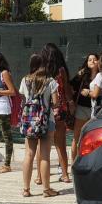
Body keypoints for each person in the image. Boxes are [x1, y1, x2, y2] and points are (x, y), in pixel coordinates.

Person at [18, 53, 59, 198]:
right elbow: (56, 102)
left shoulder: (25, 80)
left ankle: (26, 189)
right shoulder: (51, 81)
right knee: (45, 156)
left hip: (29, 122)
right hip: (47, 121)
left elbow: (23, 98)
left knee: (29, 154)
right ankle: (47, 190)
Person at [41, 43, 74, 184]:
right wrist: (71, 102)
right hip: (60, 109)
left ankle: (39, 177)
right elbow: (66, 90)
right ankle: (65, 175)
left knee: (42, 145)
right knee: (60, 144)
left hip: (45, 110)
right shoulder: (61, 71)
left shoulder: (41, 70)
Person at [71, 53, 99, 162]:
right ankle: (74, 163)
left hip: (96, 110)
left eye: (94, 59)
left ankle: (90, 162)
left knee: (92, 138)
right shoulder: (83, 75)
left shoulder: (101, 76)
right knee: (76, 138)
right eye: (89, 60)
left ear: (98, 62)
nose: (92, 61)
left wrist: (89, 92)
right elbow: (71, 84)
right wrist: (78, 75)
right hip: (82, 108)